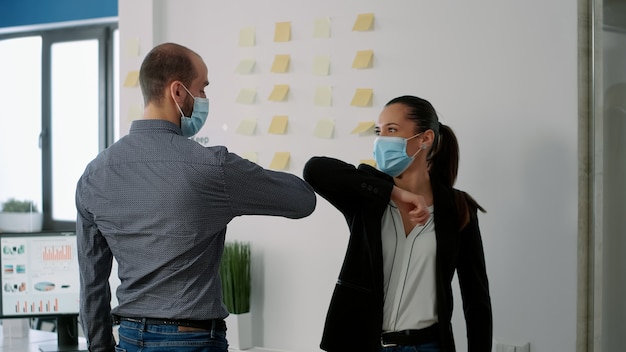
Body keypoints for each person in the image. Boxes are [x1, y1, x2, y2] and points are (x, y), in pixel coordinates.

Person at [75, 42, 316, 352]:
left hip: (129, 339)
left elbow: (91, 283)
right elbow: (302, 201)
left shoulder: (94, 175)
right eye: (201, 89)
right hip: (193, 339)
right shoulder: (212, 166)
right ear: (177, 92)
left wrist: (101, 347)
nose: (203, 100)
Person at [303, 95, 492, 352]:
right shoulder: (368, 200)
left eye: (392, 130)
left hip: (428, 346)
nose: (382, 140)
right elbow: (315, 169)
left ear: (425, 139)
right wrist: (395, 193)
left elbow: (476, 299)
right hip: (363, 345)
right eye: (379, 131)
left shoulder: (458, 208)